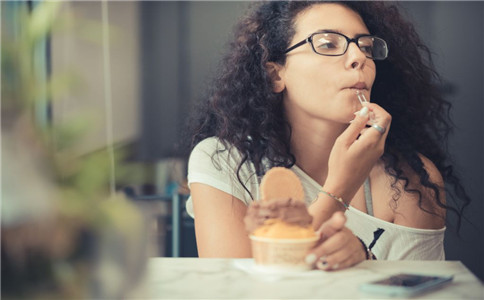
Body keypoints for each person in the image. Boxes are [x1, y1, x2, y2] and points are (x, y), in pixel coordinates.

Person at [184, 1, 470, 270]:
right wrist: (339, 191)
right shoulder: (223, 161)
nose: (359, 57)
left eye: (366, 47)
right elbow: (234, 292)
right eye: (328, 44)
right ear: (275, 75)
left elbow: (419, 293)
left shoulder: (411, 180)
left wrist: (365, 258)